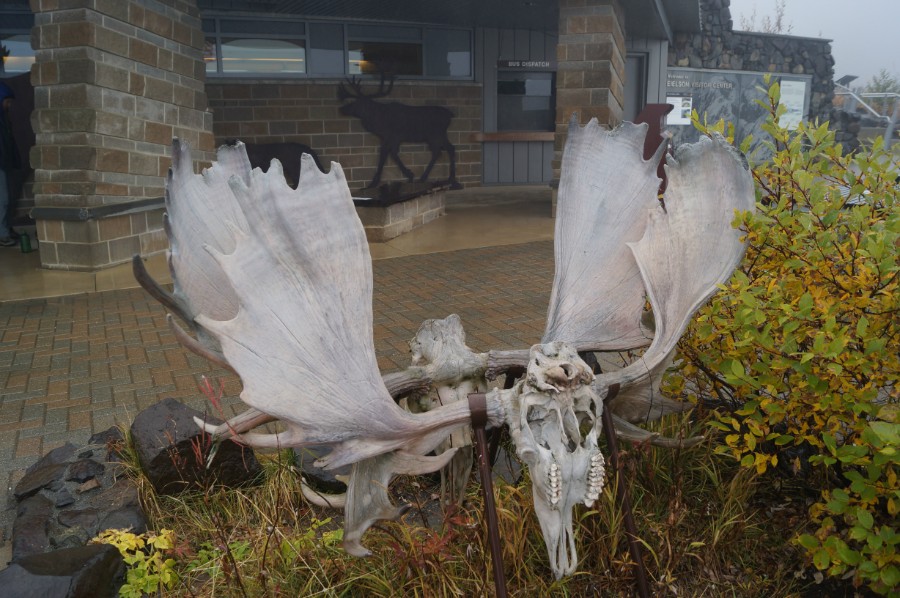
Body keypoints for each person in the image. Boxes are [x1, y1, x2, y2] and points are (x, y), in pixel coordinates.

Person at [0, 81, 21, 247]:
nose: (9, 105)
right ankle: (3, 234)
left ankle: (6, 229)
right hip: (1, 164)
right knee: (3, 199)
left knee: (7, 199)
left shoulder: (4, 119)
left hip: (4, 164)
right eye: (7, 101)